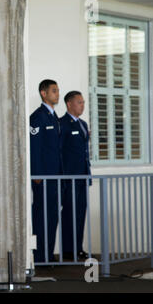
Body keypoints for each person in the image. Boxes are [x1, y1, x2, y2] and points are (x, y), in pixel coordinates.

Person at [29, 79, 63, 263]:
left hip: (55, 176)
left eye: (57, 91)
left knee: (52, 216)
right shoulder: (38, 117)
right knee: (42, 216)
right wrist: (37, 174)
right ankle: (40, 256)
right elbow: (35, 148)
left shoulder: (54, 116)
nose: (57, 94)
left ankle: (48, 255)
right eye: (54, 91)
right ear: (44, 93)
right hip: (43, 178)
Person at [60, 91, 91, 261]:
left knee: (80, 214)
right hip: (69, 178)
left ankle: (78, 248)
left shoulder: (83, 124)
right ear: (69, 104)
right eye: (79, 102)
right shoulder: (63, 123)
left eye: (83, 102)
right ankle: (68, 251)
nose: (82, 105)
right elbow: (60, 152)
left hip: (83, 176)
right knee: (69, 215)